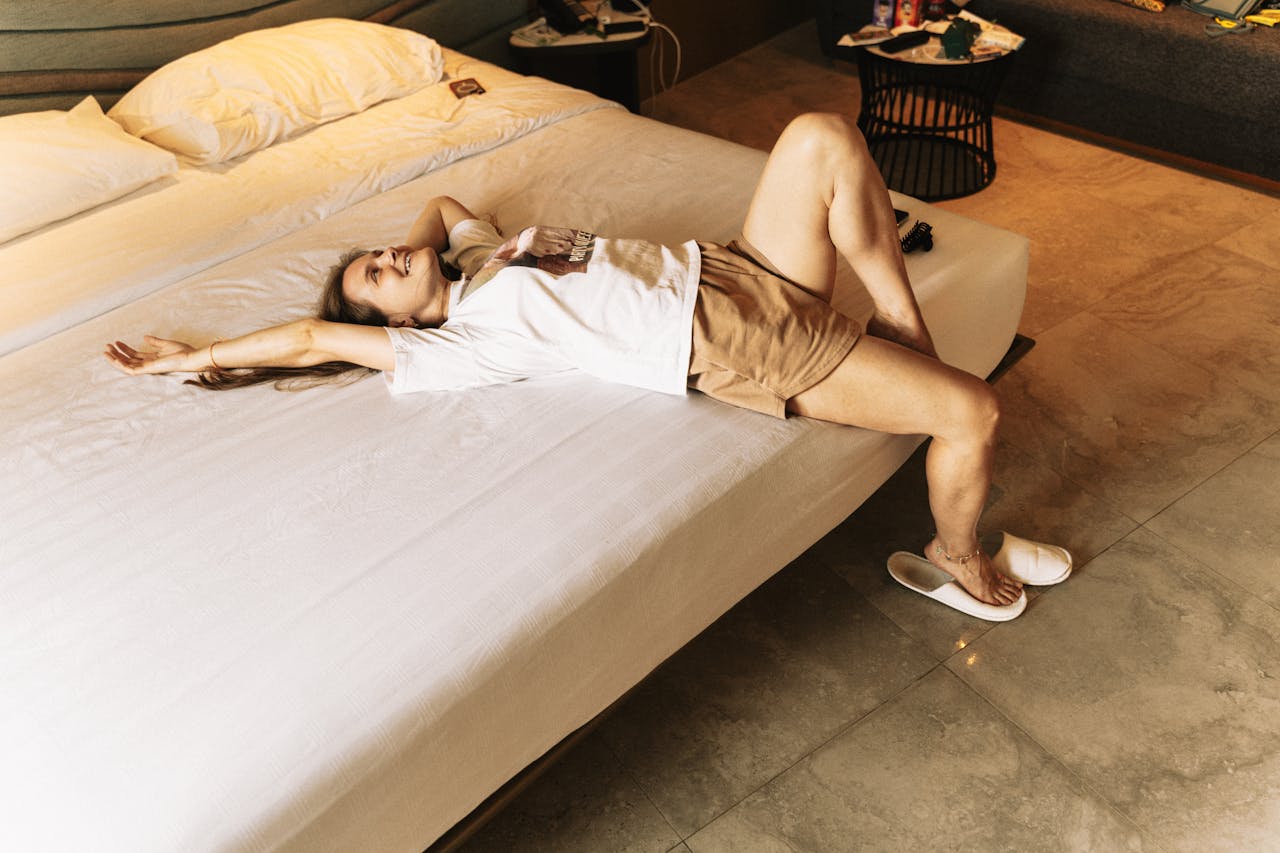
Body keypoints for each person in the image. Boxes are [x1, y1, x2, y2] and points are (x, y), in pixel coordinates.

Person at [105, 113, 1062, 617]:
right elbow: (315, 339)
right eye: (375, 278)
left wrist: (408, 263)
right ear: (385, 324)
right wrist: (194, 359)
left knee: (820, 134)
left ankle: (901, 323)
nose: (388, 259)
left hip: (731, 267)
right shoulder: (456, 344)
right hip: (735, 342)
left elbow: (439, 203)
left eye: (378, 256)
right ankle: (954, 554)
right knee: (970, 412)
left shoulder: (474, 259)